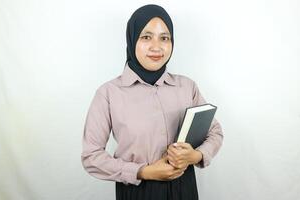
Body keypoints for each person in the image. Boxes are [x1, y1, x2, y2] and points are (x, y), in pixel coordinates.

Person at [81, 4, 224, 200]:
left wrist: (196, 156)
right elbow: (91, 157)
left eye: (164, 38)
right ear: (132, 40)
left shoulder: (187, 87)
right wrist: (143, 171)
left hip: (185, 189)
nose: (156, 47)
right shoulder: (108, 94)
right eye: (146, 37)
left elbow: (214, 131)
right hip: (137, 191)